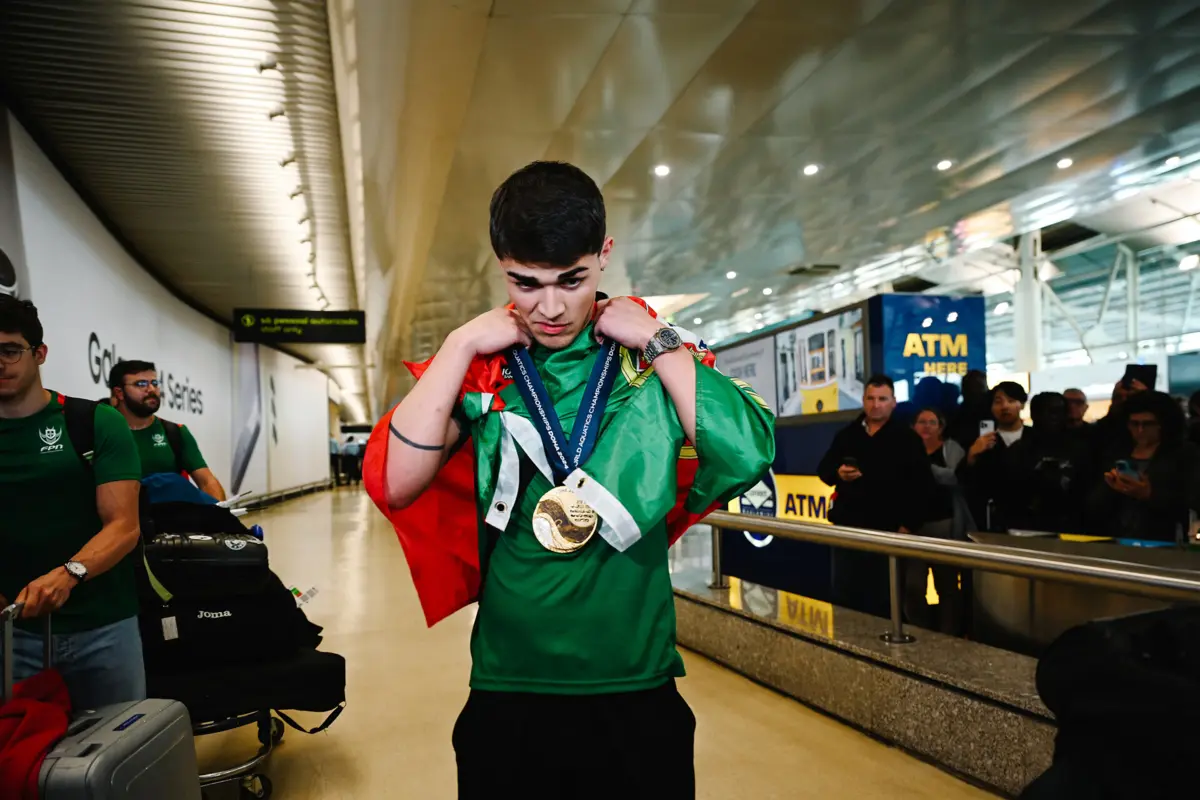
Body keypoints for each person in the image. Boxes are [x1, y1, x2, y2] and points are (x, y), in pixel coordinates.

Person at [363, 161, 775, 799]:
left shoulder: (646, 362)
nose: (549, 307)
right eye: (524, 283)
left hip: (635, 680)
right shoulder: (488, 369)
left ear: (604, 255)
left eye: (572, 280)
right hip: (509, 682)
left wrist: (658, 338)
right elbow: (397, 482)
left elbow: (746, 450)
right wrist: (460, 344)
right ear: (501, 264)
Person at [0, 296, 146, 709]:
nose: (0, 363)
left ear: (39, 353)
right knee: (22, 764)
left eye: (9, 350)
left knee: (117, 755)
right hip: (14, 636)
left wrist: (68, 575)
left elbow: (123, 525)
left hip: (105, 629)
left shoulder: (92, 423)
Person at [818, 375, 934, 619]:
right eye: (870, 398)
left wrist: (908, 525)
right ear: (863, 401)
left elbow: (922, 486)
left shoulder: (906, 439)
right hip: (848, 528)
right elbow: (824, 470)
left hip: (887, 529)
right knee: (845, 595)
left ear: (893, 402)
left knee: (884, 598)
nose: (875, 404)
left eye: (882, 399)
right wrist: (839, 473)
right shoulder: (847, 435)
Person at [1084, 391, 1197, 543]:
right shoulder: (1117, 452)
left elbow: (1191, 502)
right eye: (1134, 424)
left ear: (1164, 424)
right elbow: (1093, 506)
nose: (1140, 430)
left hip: (1166, 541)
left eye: (1148, 424)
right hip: (1117, 538)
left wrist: (1150, 494)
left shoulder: (1185, 453)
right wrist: (1109, 487)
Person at [108, 360, 226, 501]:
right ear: (119, 393)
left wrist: (220, 514)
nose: (151, 389)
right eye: (141, 384)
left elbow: (207, 481)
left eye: (155, 383)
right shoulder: (101, 432)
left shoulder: (175, 432)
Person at [904, 407, 969, 634]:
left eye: (932, 422)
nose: (927, 427)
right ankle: (919, 632)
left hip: (944, 524)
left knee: (948, 585)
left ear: (940, 427)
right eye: (922, 422)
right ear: (913, 426)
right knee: (913, 586)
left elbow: (956, 477)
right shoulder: (906, 449)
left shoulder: (951, 449)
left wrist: (924, 467)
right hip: (912, 526)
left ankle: (949, 634)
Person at [958, 381, 1033, 532]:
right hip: (995, 520)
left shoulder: (1035, 437)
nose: (1005, 406)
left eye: (1011, 401)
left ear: (1022, 405)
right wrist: (972, 454)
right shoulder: (982, 440)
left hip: (1032, 518)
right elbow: (965, 482)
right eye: (998, 402)